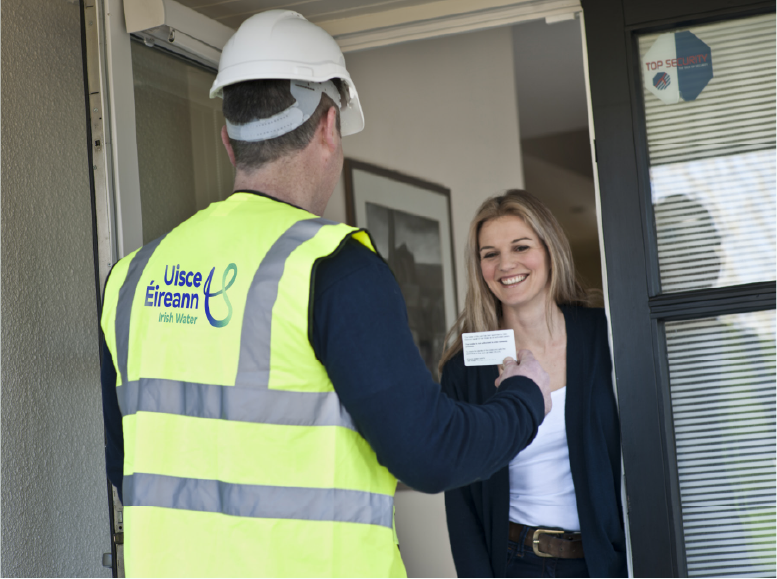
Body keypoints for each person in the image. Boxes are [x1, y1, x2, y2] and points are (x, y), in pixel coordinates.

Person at [99, 11, 553, 578]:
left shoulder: (131, 278)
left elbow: (128, 465)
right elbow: (430, 454)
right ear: (329, 128)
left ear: (227, 139)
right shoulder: (332, 267)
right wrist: (526, 400)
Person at [439, 190, 627, 578]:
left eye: (520, 247)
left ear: (549, 249)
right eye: (489, 254)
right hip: (514, 563)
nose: (506, 264)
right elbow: (461, 501)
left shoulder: (604, 337)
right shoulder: (466, 368)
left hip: (604, 561)